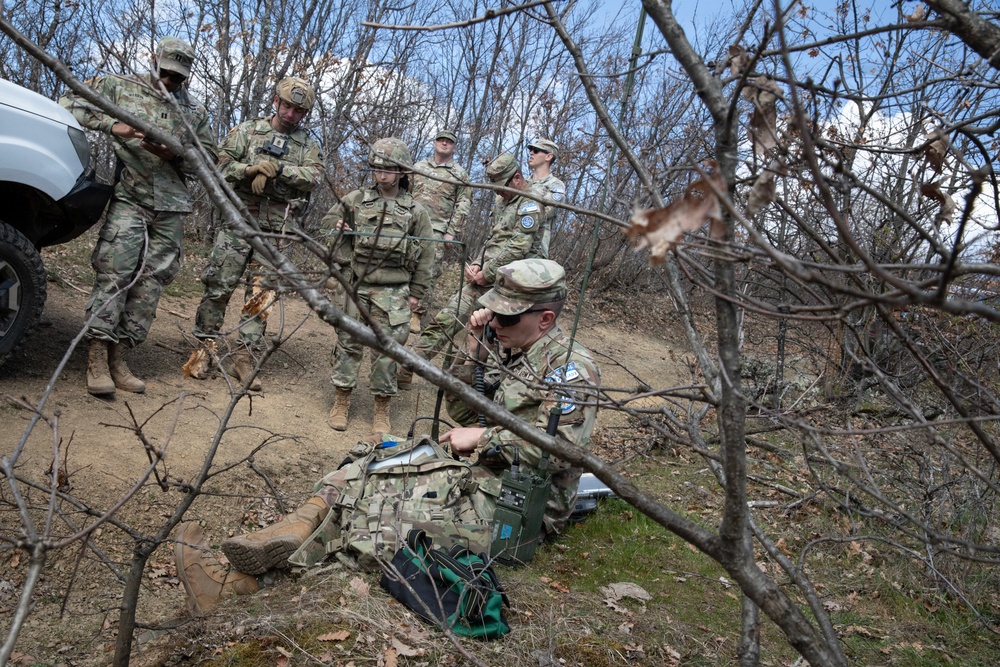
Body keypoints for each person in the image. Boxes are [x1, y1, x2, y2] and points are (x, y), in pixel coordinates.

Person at [171, 258, 600, 615]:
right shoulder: (512, 348)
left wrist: (484, 439)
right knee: (369, 463)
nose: (496, 321)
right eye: (493, 311)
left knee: (384, 512)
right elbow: (463, 412)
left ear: (545, 319)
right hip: (478, 476)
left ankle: (236, 585)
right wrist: (473, 351)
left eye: (505, 316)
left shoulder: (569, 370)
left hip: (517, 508)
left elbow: (560, 453)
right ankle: (284, 532)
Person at [60, 37, 217, 397]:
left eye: (177, 78)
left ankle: (120, 356)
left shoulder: (193, 111)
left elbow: (210, 157)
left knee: (152, 282)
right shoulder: (119, 86)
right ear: (152, 60)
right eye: (164, 73)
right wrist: (114, 126)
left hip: (172, 206)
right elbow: (69, 103)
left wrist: (175, 153)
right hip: (130, 196)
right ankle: (97, 356)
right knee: (115, 273)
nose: (169, 82)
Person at [183, 77, 323, 391]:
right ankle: (204, 350)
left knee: (261, 294)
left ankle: (244, 356)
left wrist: (280, 170)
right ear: (276, 102)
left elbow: (313, 176)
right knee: (218, 285)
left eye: (298, 111)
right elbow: (220, 163)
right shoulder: (247, 130)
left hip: (274, 229)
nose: (290, 114)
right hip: (237, 221)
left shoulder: (307, 144)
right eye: (287, 106)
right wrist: (249, 170)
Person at [399, 153, 547, 386]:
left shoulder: (531, 202)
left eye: (501, 187)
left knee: (483, 334)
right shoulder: (503, 201)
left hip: (512, 283)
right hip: (485, 275)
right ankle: (409, 366)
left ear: (517, 178)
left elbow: (519, 245)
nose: (497, 193)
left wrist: (487, 272)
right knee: (447, 317)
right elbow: (493, 238)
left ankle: (457, 382)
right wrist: (478, 262)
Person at [320, 138, 435, 433]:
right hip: (356, 285)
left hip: (395, 290)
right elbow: (325, 229)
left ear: (402, 172)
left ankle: (381, 410)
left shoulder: (416, 211)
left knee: (388, 352)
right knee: (348, 344)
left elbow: (426, 257)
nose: (382, 175)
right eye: (377, 169)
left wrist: (417, 294)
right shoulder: (355, 200)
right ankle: (341, 401)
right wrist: (337, 231)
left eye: (389, 169)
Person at [409, 130, 471, 334]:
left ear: (454, 147)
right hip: (410, 226)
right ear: (434, 142)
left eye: (449, 142)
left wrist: (451, 232)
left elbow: (463, 204)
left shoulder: (459, 174)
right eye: (441, 140)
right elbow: (405, 193)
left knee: (428, 271)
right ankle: (397, 307)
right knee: (403, 263)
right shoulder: (418, 167)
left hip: (437, 229)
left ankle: (417, 314)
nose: (444, 143)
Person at [527, 138, 566, 257]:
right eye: (531, 150)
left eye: (536, 150)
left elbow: (544, 212)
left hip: (534, 251)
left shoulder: (556, 186)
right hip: (511, 246)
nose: (531, 153)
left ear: (548, 156)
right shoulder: (523, 184)